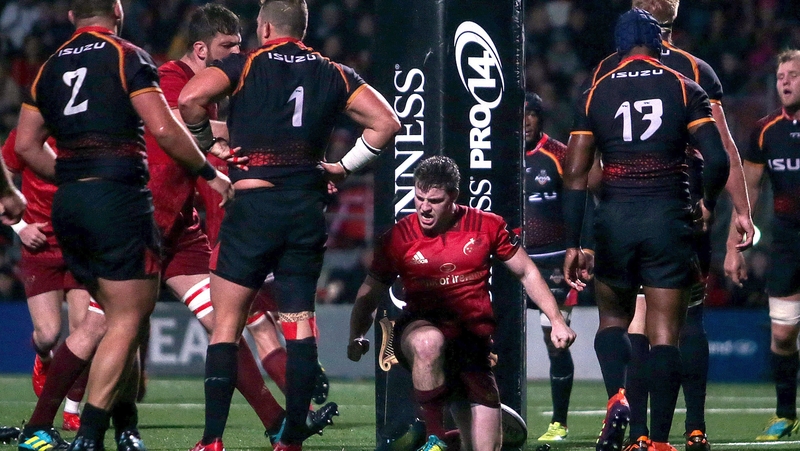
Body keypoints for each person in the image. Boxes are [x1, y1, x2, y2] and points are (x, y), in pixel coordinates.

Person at [177, 1, 400, 450]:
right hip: (304, 210)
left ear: (263, 26)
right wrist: (341, 167)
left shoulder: (244, 64)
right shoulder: (333, 72)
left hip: (254, 208)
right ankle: (291, 440)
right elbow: (386, 123)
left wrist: (206, 145)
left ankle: (212, 441)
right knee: (300, 324)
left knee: (227, 326)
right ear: (303, 28)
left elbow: (189, 99)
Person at [13, 1, 234, 450]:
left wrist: (72, 177)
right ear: (116, 10)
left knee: (109, 320)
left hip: (69, 207)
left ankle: (114, 426)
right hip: (117, 199)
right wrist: (211, 173)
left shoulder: (48, 68)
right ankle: (91, 435)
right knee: (129, 319)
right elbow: (166, 130)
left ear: (73, 16)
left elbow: (25, 145)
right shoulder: (127, 56)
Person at [585, 2, 755, 449]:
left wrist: (595, 221)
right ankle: (678, 431)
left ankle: (639, 428)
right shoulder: (693, 72)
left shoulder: (608, 70)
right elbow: (722, 148)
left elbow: (590, 163)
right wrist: (733, 209)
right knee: (678, 319)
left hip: (627, 210)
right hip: (679, 208)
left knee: (641, 321)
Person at [347, 156, 576, 451]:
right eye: (419, 198)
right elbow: (371, 291)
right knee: (429, 343)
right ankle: (435, 438)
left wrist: (556, 320)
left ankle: (452, 441)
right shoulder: (399, 237)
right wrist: (356, 334)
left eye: (434, 200)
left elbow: (526, 271)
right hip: (419, 330)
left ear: (453, 196)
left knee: (483, 447)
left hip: (472, 345)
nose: (424, 207)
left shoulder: (487, 226)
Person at [724, 48, 800, 442]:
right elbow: (748, 194)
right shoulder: (765, 131)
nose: (784, 81)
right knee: (783, 335)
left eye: (793, 75)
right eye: (780, 76)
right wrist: (735, 248)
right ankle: (786, 414)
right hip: (787, 244)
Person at [1, 130, 90, 433]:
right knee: (48, 335)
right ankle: (43, 357)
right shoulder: (25, 137)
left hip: (83, 246)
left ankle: (73, 410)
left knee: (85, 331)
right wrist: (22, 227)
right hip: (40, 246)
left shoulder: (90, 128)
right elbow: (3, 188)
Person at [521, 92, 594, 442]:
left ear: (540, 118)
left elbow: (583, 199)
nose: (525, 121)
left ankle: (559, 423)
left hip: (553, 261)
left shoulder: (559, 154)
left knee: (555, 340)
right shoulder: (500, 155)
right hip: (513, 260)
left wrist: (582, 247)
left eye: (531, 114)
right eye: (520, 115)